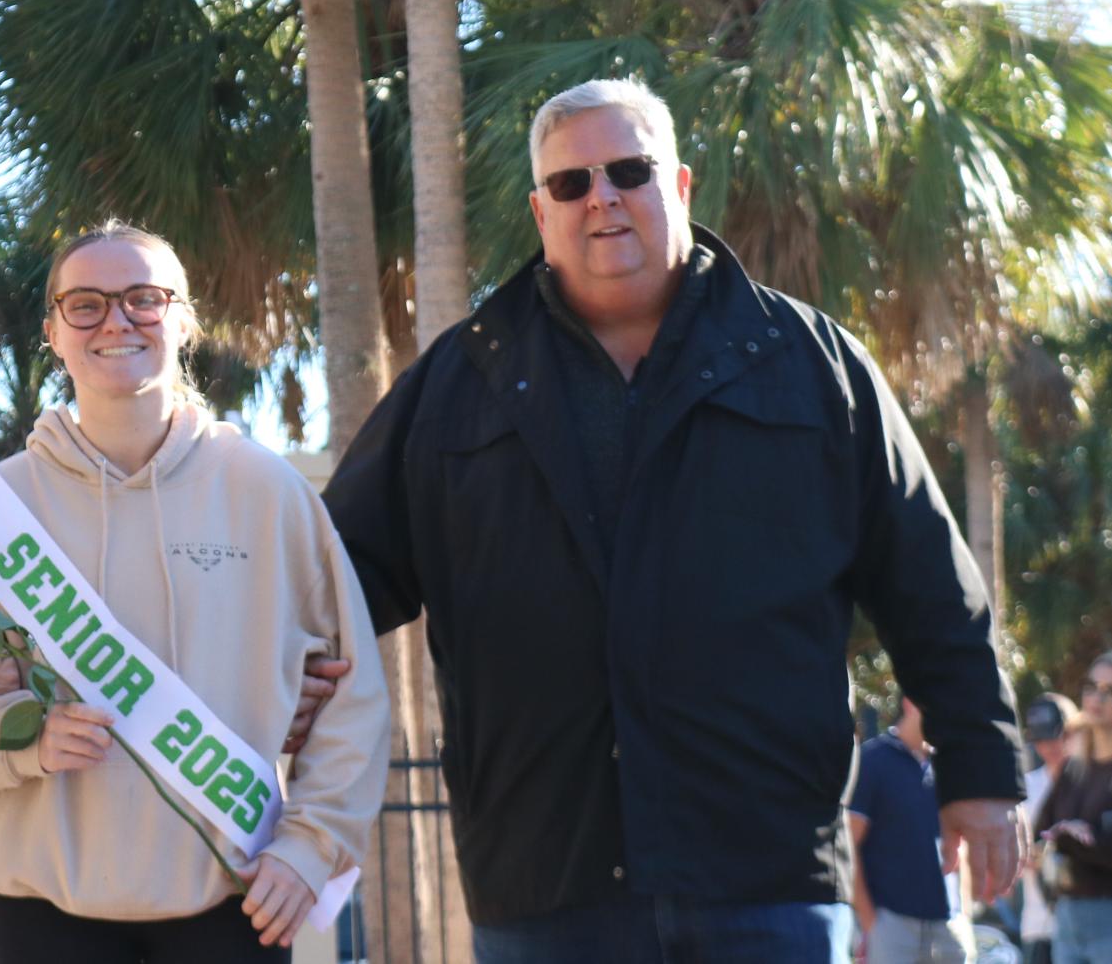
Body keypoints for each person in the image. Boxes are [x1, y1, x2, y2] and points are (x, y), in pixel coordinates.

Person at [318, 78, 1025, 962]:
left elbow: (930, 585)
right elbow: (330, 574)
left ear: (680, 187)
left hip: (763, 874)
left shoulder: (810, 365)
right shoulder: (459, 382)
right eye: (571, 184)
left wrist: (980, 771)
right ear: (542, 213)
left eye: (628, 170)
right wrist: (276, 671)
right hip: (541, 880)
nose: (601, 197)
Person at [0, 222, 391, 963]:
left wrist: (309, 846)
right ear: (53, 331)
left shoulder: (268, 493)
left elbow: (353, 694)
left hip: (231, 904)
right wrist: (23, 737)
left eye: (143, 299)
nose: (116, 320)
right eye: (85, 304)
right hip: (40, 910)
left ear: (183, 319)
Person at [849, 697, 975, 962]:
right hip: (892, 925)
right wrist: (871, 922)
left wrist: (964, 912)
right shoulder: (873, 759)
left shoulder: (948, 764)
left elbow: (960, 842)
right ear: (909, 703)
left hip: (949, 925)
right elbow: (849, 844)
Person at [1035, 655, 1112, 964]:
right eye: (1091, 687)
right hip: (1067, 917)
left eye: (1109, 690)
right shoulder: (1074, 765)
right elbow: (1042, 827)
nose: (1096, 698)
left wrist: (1084, 836)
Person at [1022, 694, 1081, 964]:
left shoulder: (1097, 785)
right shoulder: (1024, 789)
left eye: (1057, 735)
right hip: (1040, 927)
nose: (1049, 745)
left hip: (1092, 925)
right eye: (1041, 738)